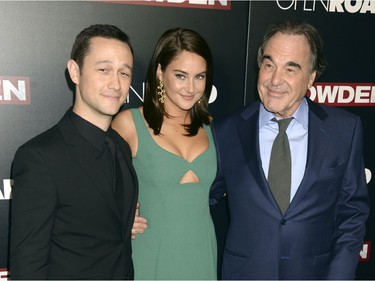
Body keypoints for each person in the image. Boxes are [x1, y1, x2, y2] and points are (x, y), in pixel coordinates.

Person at [210, 20, 369, 280]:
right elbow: (200, 196)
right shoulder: (225, 131)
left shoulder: (344, 130)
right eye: (269, 64)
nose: (275, 80)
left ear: (311, 77)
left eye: (290, 69)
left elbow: (352, 215)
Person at [9, 24, 138, 280]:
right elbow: (28, 267)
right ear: (75, 72)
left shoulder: (121, 146)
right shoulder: (39, 158)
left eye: (124, 73)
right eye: (104, 70)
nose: (116, 83)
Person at [112, 27, 217, 280]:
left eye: (199, 77)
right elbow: (89, 186)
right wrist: (118, 219)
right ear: (160, 73)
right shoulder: (130, 124)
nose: (191, 87)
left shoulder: (211, 127)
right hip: (151, 256)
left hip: (201, 255)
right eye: (181, 76)